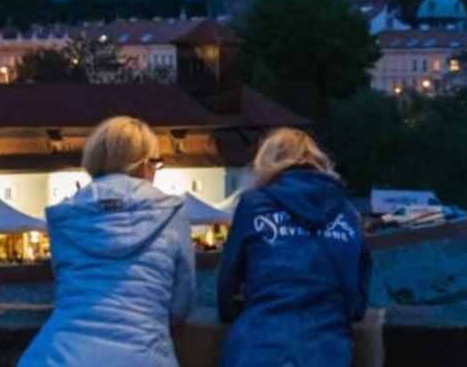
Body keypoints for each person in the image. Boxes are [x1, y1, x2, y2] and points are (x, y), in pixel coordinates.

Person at [19, 116, 195, 367]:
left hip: (57, 356)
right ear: (145, 164)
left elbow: (65, 286)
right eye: (155, 163)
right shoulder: (170, 212)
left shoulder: (65, 215)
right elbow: (181, 303)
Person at [217, 128, 371, 367]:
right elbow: (357, 302)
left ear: (266, 162)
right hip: (325, 350)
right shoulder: (348, 212)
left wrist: (233, 310)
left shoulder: (254, 205)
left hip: (257, 346)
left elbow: (227, 282)